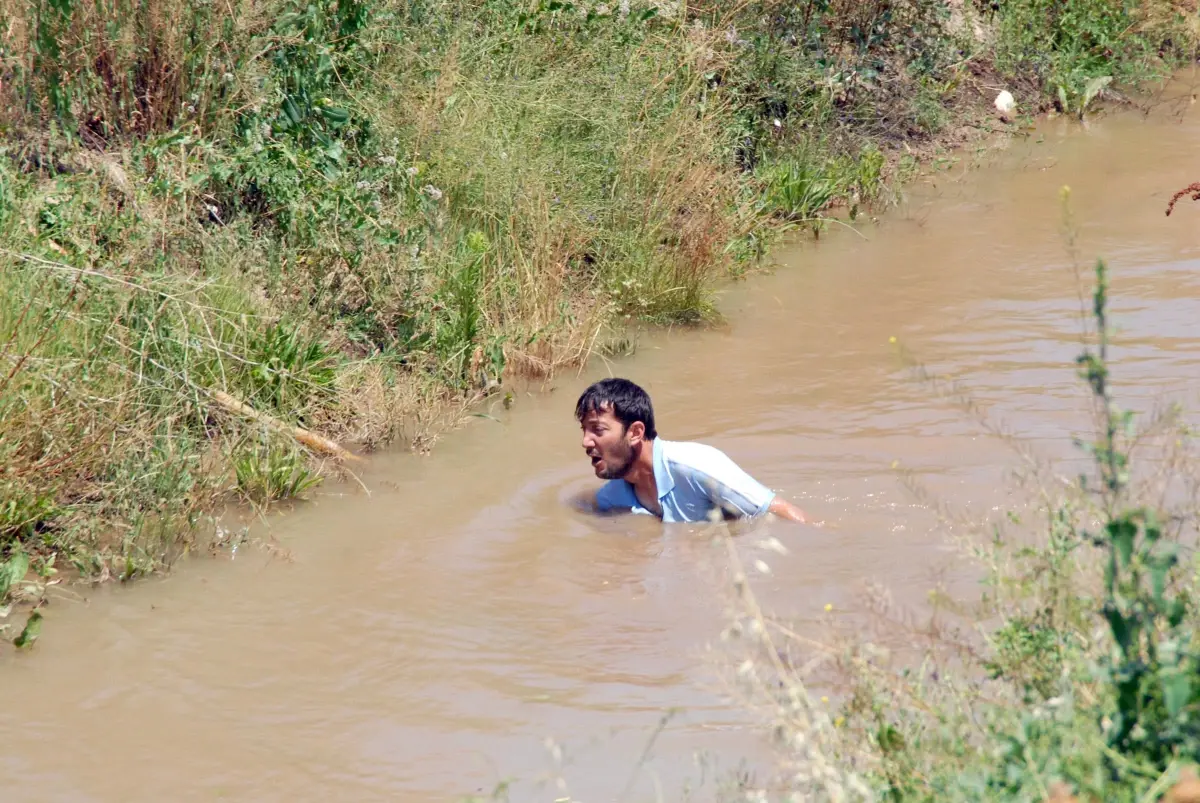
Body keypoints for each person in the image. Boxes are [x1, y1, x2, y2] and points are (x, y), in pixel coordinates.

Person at [574, 377, 813, 524]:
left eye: (598, 430)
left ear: (635, 432)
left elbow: (780, 511)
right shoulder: (611, 499)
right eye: (584, 430)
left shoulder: (698, 467)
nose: (586, 442)